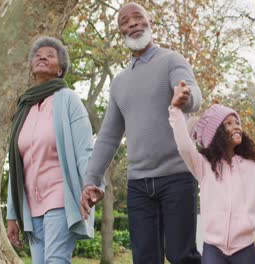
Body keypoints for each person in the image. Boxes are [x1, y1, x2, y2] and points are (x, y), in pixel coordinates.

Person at [79, 2, 202, 264]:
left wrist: (184, 97)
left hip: (177, 176)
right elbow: (109, 137)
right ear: (120, 32)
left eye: (138, 18)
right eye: (125, 21)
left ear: (150, 24)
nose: (133, 23)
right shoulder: (119, 83)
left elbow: (192, 93)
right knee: (145, 259)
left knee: (182, 256)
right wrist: (91, 180)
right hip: (139, 185)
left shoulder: (172, 60)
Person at [169, 85, 255, 264]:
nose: (236, 126)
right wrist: (175, 110)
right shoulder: (204, 166)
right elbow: (184, 145)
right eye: (228, 124)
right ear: (216, 133)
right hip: (214, 248)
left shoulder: (252, 168)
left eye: (237, 123)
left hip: (245, 249)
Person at [6, 36, 95, 263]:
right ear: (31, 68)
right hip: (30, 204)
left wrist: (91, 185)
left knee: (55, 260)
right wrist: (12, 216)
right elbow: (17, 164)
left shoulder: (68, 100)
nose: (42, 56)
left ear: (60, 70)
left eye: (50, 55)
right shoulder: (24, 108)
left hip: (60, 198)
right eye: (38, 55)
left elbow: (84, 151)